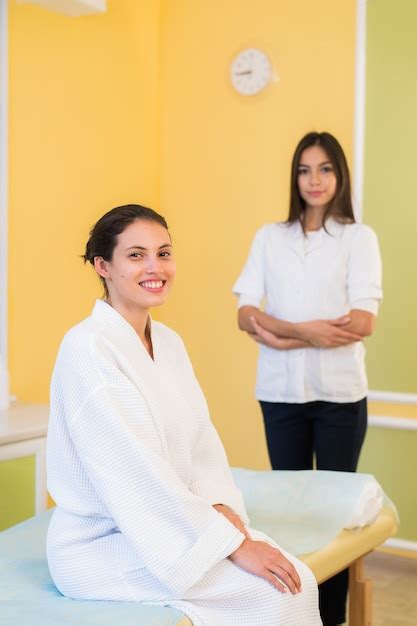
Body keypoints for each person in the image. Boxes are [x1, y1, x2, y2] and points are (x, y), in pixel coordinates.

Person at [46, 204, 322, 626]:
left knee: (296, 577)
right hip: (101, 543)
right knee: (274, 594)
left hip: (176, 524)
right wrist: (231, 543)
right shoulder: (86, 348)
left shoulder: (169, 343)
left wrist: (223, 513)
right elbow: (133, 472)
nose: (155, 267)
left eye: (164, 253)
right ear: (103, 266)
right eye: (136, 255)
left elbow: (201, 443)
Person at [232, 132, 382, 626]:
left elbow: (362, 323)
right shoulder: (269, 237)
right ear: (294, 177)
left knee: (333, 516)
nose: (314, 180)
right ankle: (295, 612)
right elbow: (246, 314)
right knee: (290, 515)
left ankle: (333, 617)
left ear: (339, 176)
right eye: (304, 169)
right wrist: (309, 330)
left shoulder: (358, 239)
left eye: (324, 169)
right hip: (280, 396)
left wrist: (284, 336)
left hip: (340, 395)